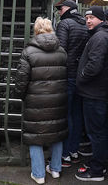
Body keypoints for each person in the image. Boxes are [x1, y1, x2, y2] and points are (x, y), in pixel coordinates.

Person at [14, 17, 68, 184]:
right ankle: (56, 169)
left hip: (35, 100)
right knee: (57, 134)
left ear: (36, 30)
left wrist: (21, 95)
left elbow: (21, 80)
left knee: (35, 135)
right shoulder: (61, 51)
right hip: (58, 99)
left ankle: (38, 174)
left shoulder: (28, 52)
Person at [74, 6, 108, 182]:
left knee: (96, 132)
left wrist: (81, 78)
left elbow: (94, 66)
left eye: (92, 17)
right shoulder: (105, 36)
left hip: (94, 93)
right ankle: (100, 163)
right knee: (100, 130)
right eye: (86, 18)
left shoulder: (100, 37)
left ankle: (97, 170)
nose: (88, 21)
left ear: (101, 19)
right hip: (100, 91)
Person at [55, 0, 89, 167]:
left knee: (65, 115)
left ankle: (64, 154)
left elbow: (61, 51)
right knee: (77, 115)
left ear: (68, 9)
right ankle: (74, 150)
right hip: (80, 77)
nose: (59, 12)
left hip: (67, 75)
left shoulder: (65, 24)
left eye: (60, 9)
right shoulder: (85, 25)